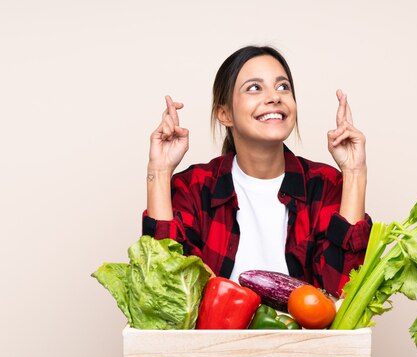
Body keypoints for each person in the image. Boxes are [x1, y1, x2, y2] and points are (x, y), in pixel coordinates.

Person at [142, 45, 371, 297]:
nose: (275, 96)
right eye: (254, 87)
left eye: (283, 86)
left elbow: (342, 292)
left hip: (305, 338)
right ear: (225, 113)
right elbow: (165, 292)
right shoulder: (194, 187)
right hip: (215, 338)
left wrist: (354, 172)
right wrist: (160, 172)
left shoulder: (324, 185)